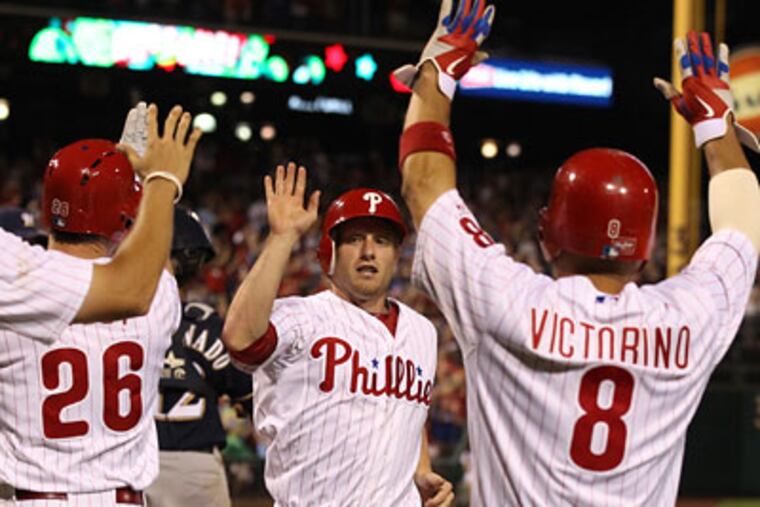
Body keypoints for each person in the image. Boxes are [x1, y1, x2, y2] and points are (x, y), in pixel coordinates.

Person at [395, 1, 760, 503]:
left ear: (547, 236)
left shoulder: (506, 301)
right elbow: (743, 225)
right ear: (644, 252)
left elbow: (423, 185)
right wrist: (716, 126)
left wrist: (437, 73)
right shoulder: (688, 319)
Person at [0, 105, 201, 506]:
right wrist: (151, 180)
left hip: (30, 498)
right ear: (125, 218)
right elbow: (147, 258)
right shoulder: (158, 292)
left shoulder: (13, 282)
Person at [222, 163, 454, 507]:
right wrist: (282, 237)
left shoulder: (422, 331)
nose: (369, 252)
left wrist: (421, 469)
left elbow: (409, 410)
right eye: (355, 239)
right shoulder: (302, 317)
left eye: (382, 241)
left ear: (396, 255)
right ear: (330, 253)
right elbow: (239, 339)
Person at [0, 103, 201, 340]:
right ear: (127, 220)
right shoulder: (157, 295)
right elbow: (147, 269)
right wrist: (155, 184)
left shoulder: (17, 278)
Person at [146, 207, 252, 507]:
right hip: (196, 467)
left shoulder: (113, 321)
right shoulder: (207, 325)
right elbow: (249, 397)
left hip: (131, 463)